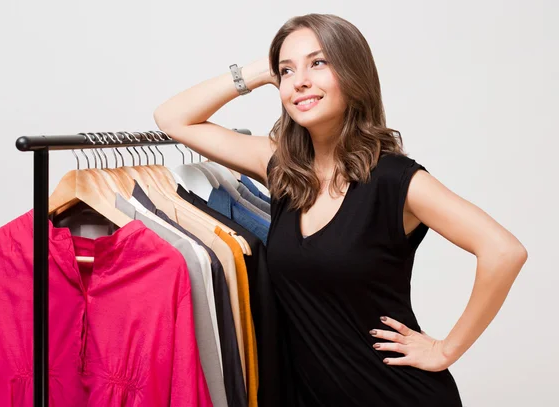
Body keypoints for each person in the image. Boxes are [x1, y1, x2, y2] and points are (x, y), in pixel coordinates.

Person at [153, 13, 528, 407]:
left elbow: (504, 251)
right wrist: (262, 70)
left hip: (397, 395)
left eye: (319, 62)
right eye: (287, 70)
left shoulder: (394, 179)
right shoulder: (282, 166)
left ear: (352, 73)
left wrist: (445, 350)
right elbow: (172, 119)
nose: (299, 80)